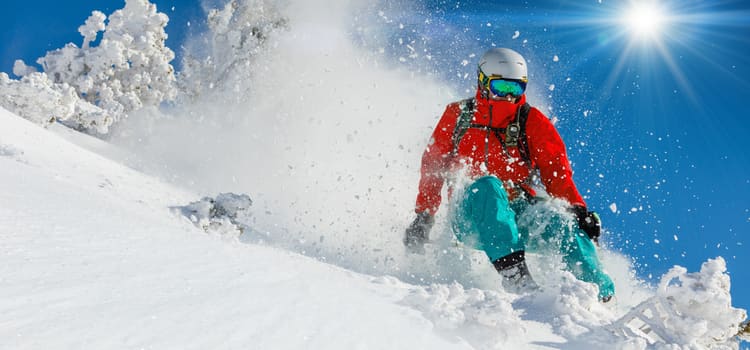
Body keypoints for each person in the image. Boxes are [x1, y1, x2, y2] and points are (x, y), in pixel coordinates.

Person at [403, 47, 615, 302]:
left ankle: (600, 296)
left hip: (519, 212)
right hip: (470, 214)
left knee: (563, 222)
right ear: (482, 82)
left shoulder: (530, 121)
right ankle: (517, 276)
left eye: (515, 89)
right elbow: (433, 166)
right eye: (500, 87)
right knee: (488, 185)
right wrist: (424, 216)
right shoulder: (458, 115)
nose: (507, 97)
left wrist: (578, 209)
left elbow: (555, 171)